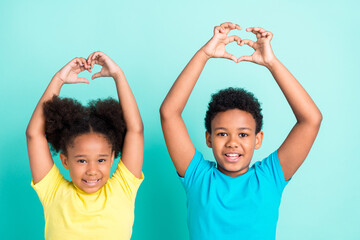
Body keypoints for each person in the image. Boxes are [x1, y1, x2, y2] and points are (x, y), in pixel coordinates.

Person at [160, 22, 322, 239]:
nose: (232, 143)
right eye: (222, 133)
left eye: (243, 134)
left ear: (258, 139)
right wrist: (204, 55)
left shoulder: (270, 177)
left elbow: (311, 119)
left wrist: (272, 63)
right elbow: (169, 113)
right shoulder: (198, 177)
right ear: (208, 138)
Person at [26, 51, 144, 240]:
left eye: (101, 160)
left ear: (113, 157)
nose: (92, 170)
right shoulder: (53, 191)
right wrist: (58, 80)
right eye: (81, 160)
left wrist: (118, 75)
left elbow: (135, 131)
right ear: (65, 160)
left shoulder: (123, 188)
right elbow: (34, 135)